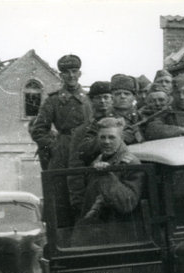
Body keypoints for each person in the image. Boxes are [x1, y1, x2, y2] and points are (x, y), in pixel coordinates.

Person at [29, 54, 91, 227]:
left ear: (79, 73)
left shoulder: (89, 99)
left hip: (86, 150)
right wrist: (55, 146)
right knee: (60, 197)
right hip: (63, 154)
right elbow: (38, 130)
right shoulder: (53, 100)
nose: (71, 76)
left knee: (87, 193)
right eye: (66, 72)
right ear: (61, 75)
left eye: (74, 71)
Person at [73, 117, 145, 245]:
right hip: (97, 229)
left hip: (118, 234)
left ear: (121, 138)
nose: (106, 142)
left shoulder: (130, 163)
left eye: (112, 137)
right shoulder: (100, 159)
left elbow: (127, 203)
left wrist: (106, 175)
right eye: (102, 137)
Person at [67, 81, 114, 217]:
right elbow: (75, 166)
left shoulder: (122, 124)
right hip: (94, 191)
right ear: (90, 100)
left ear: (112, 99)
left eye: (106, 97)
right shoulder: (82, 131)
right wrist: (78, 199)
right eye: (98, 98)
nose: (103, 101)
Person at [144, 73, 184, 140]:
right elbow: (152, 129)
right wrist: (183, 130)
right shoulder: (166, 112)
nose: (181, 97)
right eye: (177, 93)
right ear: (172, 94)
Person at [110, 74, 144, 143]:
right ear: (112, 97)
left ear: (134, 97)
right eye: (118, 94)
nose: (122, 96)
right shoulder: (103, 117)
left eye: (127, 94)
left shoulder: (141, 116)